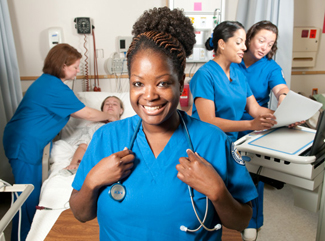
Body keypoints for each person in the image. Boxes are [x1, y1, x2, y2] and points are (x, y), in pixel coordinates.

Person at [69, 7, 258, 241]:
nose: (149, 96)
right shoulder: (107, 137)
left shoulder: (212, 140)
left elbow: (241, 220)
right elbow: (80, 214)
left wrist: (218, 191)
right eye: (138, 84)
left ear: (181, 83)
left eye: (162, 83)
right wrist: (92, 181)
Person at [3, 43, 115, 241]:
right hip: (25, 144)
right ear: (63, 66)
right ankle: (22, 237)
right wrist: (110, 117)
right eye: (75, 66)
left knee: (29, 194)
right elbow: (86, 113)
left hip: (31, 143)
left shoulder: (49, 83)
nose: (78, 70)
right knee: (26, 197)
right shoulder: (53, 87)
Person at [232, 21, 289, 241]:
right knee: (225, 175)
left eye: (270, 43)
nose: (265, 47)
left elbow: (280, 88)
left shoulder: (270, 67)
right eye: (261, 40)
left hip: (255, 128)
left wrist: (284, 100)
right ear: (249, 38)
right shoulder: (232, 60)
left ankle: (252, 222)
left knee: (253, 175)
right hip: (227, 124)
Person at [190, 21, 277, 144]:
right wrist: (251, 124)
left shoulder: (239, 75)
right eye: (238, 42)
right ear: (222, 44)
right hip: (207, 143)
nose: (244, 47)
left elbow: (255, 109)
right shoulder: (205, 75)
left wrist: (284, 116)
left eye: (244, 42)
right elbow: (209, 121)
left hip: (230, 143)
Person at [65, 96, 124, 170]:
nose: (110, 106)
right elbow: (83, 146)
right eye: (107, 104)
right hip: (96, 162)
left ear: (121, 110)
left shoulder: (126, 125)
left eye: (115, 104)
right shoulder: (92, 127)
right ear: (102, 110)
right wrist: (74, 164)